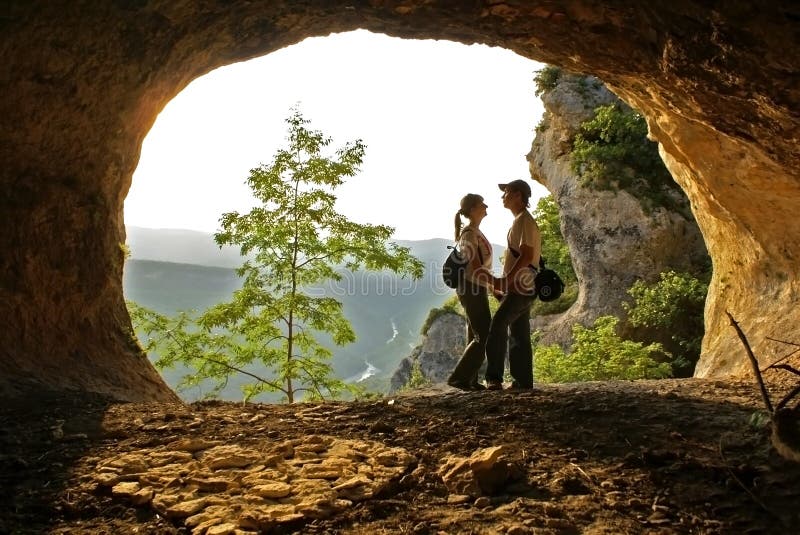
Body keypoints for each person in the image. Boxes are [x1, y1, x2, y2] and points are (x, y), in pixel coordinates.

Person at [485, 179, 541, 390]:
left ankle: (494, 379)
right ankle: (523, 382)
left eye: (506, 192)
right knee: (519, 334)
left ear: (518, 195)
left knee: (497, 326)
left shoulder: (524, 220)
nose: (503, 196)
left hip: (520, 286)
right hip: (524, 286)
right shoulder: (521, 220)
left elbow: (526, 255)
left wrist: (505, 281)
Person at [447, 193, 494, 391]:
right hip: (471, 287)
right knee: (483, 333)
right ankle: (459, 378)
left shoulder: (475, 231)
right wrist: (496, 284)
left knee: (475, 332)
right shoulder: (469, 234)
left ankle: (470, 380)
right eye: (482, 204)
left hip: (476, 286)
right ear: (473, 209)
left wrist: (490, 286)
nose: (486, 206)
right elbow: (474, 267)